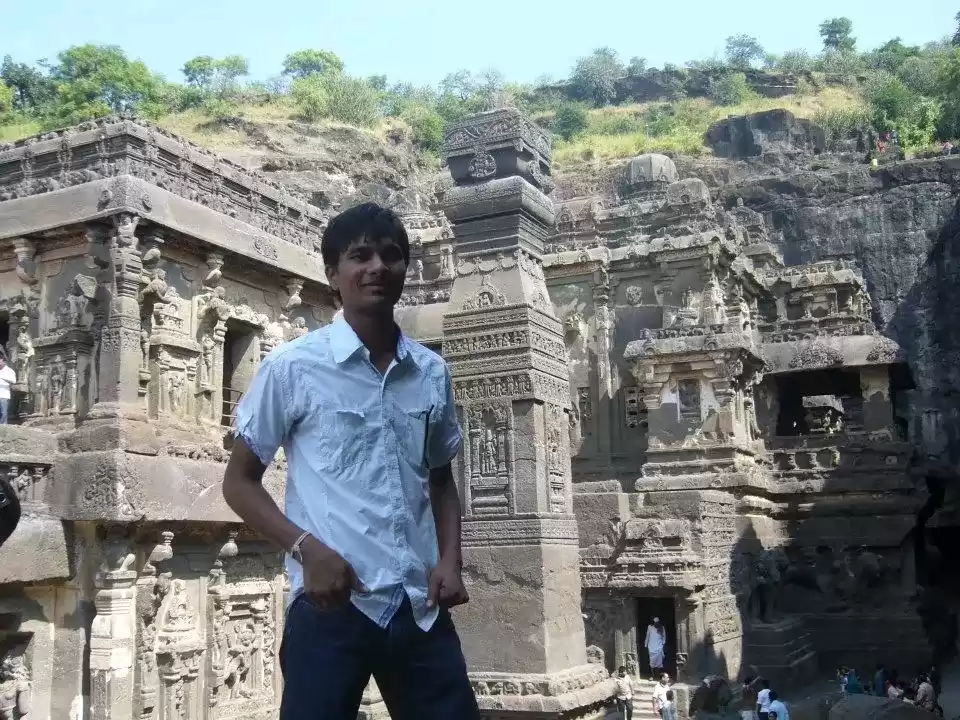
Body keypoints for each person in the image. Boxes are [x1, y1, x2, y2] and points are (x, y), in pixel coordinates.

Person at [222, 203, 480, 720]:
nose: (377, 267)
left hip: (417, 606)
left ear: (406, 268)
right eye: (359, 256)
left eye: (391, 255)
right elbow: (239, 483)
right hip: (330, 604)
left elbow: (441, 481)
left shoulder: (431, 373)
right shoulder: (293, 367)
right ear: (332, 274)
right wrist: (305, 548)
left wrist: (449, 560)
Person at [0, 356, 16, 424]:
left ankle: (3, 428)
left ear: (4, 362)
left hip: (4, 394)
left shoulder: (9, 371)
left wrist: (1, 376)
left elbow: (13, 381)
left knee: (3, 412)